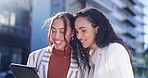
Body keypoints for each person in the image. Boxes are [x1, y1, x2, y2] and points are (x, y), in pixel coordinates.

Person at [74, 8, 134, 78]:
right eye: (77, 31)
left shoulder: (114, 49)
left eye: (83, 30)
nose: (79, 36)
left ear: (97, 29)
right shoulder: (91, 57)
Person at [27, 12, 89, 78]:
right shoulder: (34, 57)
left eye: (62, 31)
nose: (56, 36)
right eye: (53, 31)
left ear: (72, 33)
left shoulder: (82, 63)